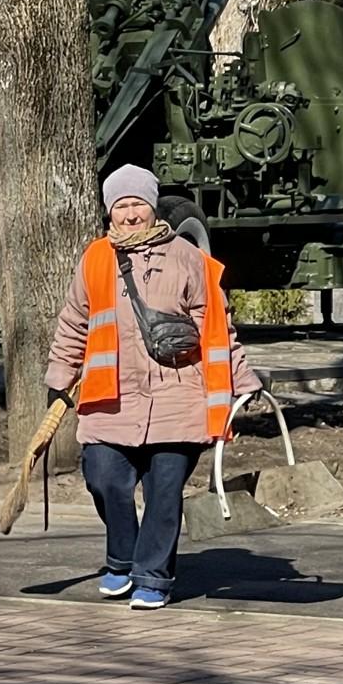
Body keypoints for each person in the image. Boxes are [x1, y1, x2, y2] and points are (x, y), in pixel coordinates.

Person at [46, 163, 263, 611]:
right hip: (111, 399)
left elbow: (219, 330)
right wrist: (59, 379)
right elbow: (74, 323)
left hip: (178, 396)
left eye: (137, 205)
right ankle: (121, 558)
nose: (129, 215)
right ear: (109, 211)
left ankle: (153, 577)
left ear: (152, 206)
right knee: (103, 478)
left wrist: (245, 382)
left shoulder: (190, 259)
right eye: (121, 206)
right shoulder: (95, 259)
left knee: (165, 491)